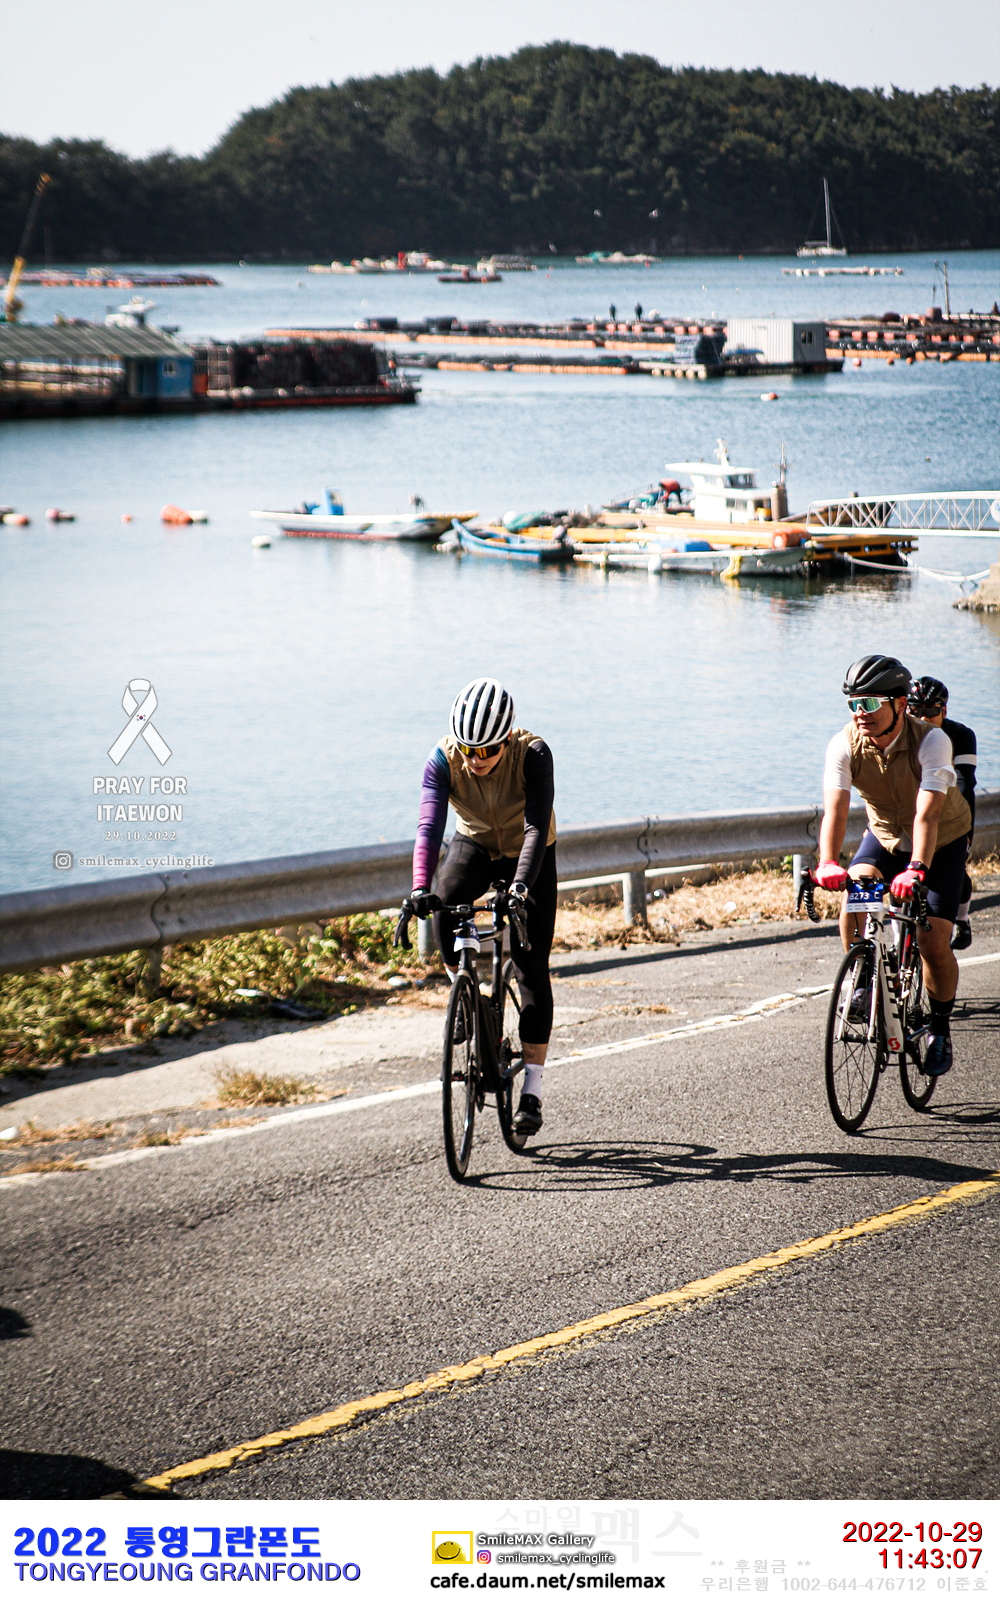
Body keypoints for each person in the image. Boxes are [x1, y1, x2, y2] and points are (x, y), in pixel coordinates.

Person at [410, 678, 557, 1136]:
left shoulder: (533, 755)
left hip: (528, 852)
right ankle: (464, 993)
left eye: (487, 750)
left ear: (506, 738)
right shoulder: (442, 759)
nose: (475, 760)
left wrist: (519, 888)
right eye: (468, 750)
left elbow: (535, 828)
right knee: (443, 904)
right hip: (473, 843)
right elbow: (429, 827)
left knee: (531, 966)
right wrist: (419, 887)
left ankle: (531, 1089)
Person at [816, 655, 972, 1076]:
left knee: (931, 940)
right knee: (856, 887)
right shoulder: (843, 744)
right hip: (885, 836)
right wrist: (827, 862)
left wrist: (917, 867)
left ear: (900, 703)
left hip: (940, 842)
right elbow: (835, 811)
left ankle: (940, 1029)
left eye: (869, 703)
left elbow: (928, 815)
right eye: (853, 704)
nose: (860, 713)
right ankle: (862, 977)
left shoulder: (932, 741)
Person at [908, 675, 977, 949]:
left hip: (953, 806)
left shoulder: (961, 735)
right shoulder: (904, 734)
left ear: (944, 711)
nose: (924, 718)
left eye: (931, 711)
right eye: (916, 711)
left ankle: (961, 918)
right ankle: (899, 939)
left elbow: (964, 783)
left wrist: (966, 834)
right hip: (914, 805)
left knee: (956, 868)